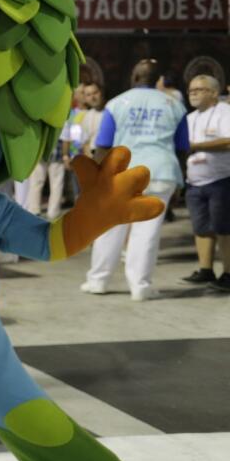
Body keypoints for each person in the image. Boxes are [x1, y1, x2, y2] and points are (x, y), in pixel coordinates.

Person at [83, 59, 188, 300]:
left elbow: (103, 145)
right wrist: (180, 179)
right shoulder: (174, 105)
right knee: (147, 232)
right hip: (161, 171)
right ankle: (140, 286)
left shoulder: (117, 103)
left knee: (110, 228)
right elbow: (182, 147)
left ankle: (98, 281)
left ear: (134, 77)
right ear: (159, 80)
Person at [180, 74, 230, 291]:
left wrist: (197, 146)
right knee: (201, 228)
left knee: (224, 229)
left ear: (213, 92)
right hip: (194, 182)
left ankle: (228, 274)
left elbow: (229, 141)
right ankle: (205, 270)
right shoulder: (189, 118)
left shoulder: (225, 112)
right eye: (191, 90)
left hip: (221, 180)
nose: (193, 93)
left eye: (199, 90)